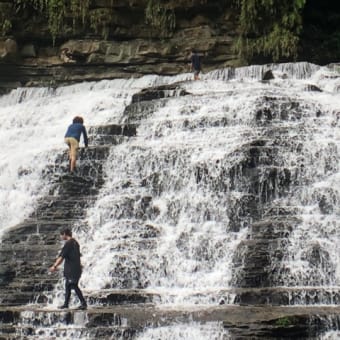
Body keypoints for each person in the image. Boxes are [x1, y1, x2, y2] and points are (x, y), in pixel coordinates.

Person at [49, 228, 87, 310]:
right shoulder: (75, 243)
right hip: (76, 268)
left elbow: (62, 257)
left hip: (71, 269)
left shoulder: (68, 244)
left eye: (61, 235)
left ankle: (83, 303)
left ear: (65, 234)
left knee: (73, 285)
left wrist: (54, 266)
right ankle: (66, 304)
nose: (61, 237)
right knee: (67, 286)